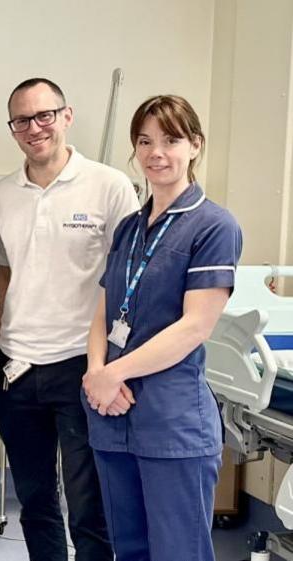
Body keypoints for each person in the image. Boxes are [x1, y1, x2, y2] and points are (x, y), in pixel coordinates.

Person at [0, 78, 138, 561]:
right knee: (34, 500)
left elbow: (131, 281)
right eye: (23, 120)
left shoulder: (109, 187)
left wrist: (117, 366)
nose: (35, 128)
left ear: (66, 116)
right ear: (13, 130)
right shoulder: (2, 195)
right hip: (17, 369)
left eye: (45, 115)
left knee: (90, 505)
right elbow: (3, 277)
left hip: (81, 367)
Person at [82, 95, 242, 561]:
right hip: (112, 414)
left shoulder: (214, 226)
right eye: (145, 140)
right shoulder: (130, 228)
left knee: (178, 552)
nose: (157, 151)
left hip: (172, 422)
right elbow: (104, 310)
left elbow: (195, 327)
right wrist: (96, 373)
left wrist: (113, 374)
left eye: (171, 139)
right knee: (128, 549)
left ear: (194, 145)